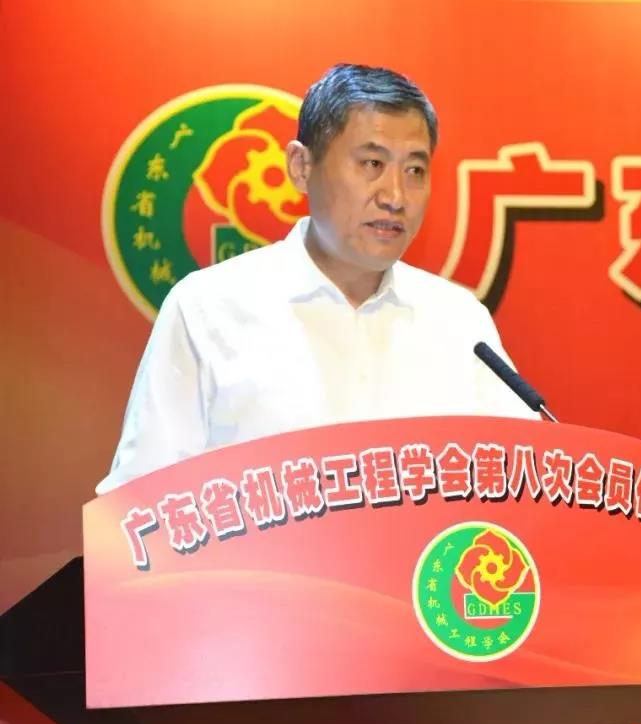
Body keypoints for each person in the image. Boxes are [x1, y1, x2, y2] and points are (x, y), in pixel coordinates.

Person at [96, 64, 536, 495]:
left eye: (415, 171)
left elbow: (523, 487)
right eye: (371, 163)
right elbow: (137, 503)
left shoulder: (459, 321)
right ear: (301, 166)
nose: (395, 196)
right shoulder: (207, 309)